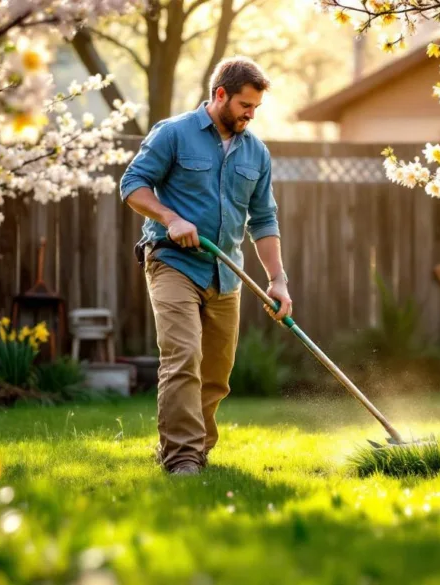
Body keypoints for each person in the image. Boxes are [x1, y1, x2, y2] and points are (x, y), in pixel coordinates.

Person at [120, 56, 292, 476]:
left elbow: (264, 220)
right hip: (172, 261)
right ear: (220, 95)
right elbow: (132, 185)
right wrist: (171, 219)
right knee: (183, 354)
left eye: (255, 108)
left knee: (216, 372)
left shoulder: (256, 152)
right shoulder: (174, 133)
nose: (250, 115)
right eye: (244, 106)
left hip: (226, 271)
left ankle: (197, 447)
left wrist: (278, 280)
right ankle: (182, 458)